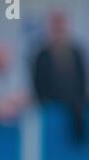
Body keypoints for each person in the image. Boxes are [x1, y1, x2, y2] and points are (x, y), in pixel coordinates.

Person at [32, 9, 87, 143]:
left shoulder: (76, 52)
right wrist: (43, 101)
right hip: (50, 103)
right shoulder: (42, 54)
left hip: (75, 103)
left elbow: (82, 78)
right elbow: (37, 80)